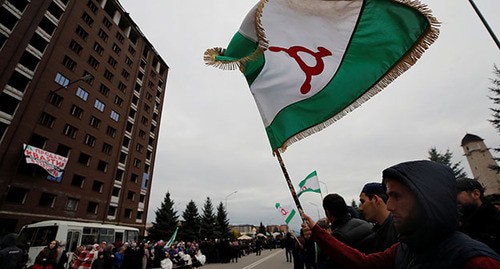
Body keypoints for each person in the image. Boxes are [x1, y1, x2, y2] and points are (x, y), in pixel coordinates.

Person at [302, 160, 500, 268]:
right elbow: (363, 263)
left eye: (396, 196)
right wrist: (319, 233)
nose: (390, 206)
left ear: (426, 200)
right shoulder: (405, 248)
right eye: (389, 196)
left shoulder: (476, 261)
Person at [456, 177, 500, 253]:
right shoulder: (460, 228)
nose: (454, 198)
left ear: (476, 194)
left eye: (457, 193)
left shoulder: (496, 221)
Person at [359, 182, 398, 252]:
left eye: (363, 202)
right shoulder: (380, 232)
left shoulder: (397, 231)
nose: (360, 208)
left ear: (375, 199)